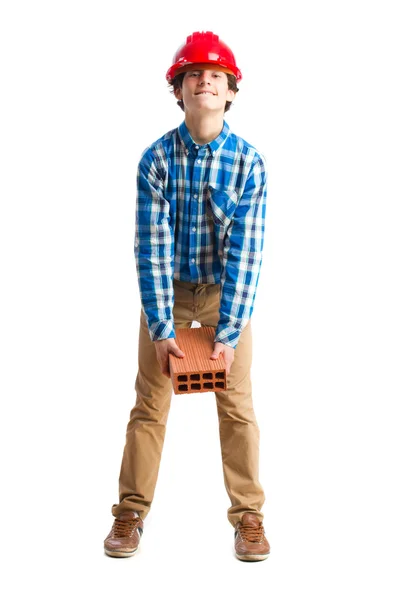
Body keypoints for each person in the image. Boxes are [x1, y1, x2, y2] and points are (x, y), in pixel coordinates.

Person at [104, 30, 270, 562]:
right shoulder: (155, 160)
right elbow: (150, 250)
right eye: (194, 74)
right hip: (169, 295)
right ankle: (130, 513)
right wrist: (160, 328)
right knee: (150, 404)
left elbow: (246, 255)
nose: (205, 82)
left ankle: (249, 517)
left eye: (215, 76)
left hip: (225, 297)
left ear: (231, 93)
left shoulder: (250, 164)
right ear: (178, 90)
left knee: (237, 407)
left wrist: (227, 335)